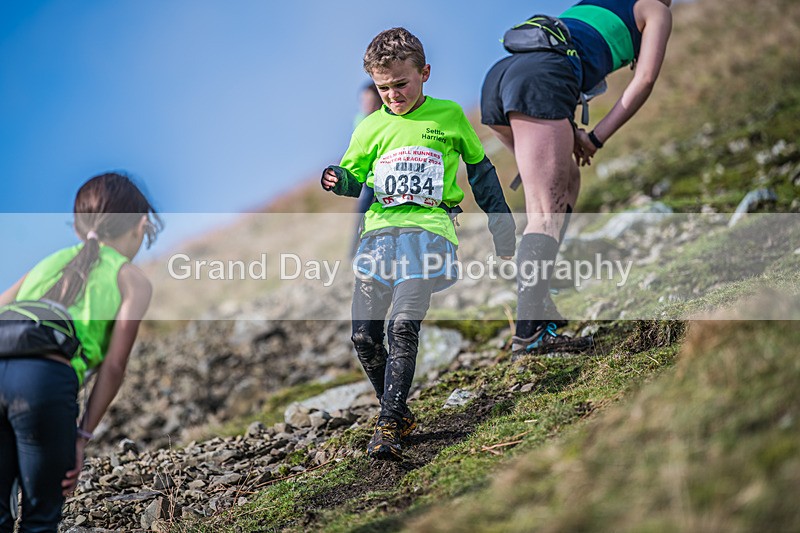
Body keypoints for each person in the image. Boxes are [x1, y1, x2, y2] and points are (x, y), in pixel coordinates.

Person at [322, 27, 516, 460]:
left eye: (401, 84)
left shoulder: (448, 116)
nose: (392, 95)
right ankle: (400, 411)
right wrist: (338, 180)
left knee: (403, 326)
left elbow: (482, 174)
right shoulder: (370, 127)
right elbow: (354, 179)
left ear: (424, 72)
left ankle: (388, 423)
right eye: (383, 87)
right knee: (363, 338)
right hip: (378, 237)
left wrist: (502, 231)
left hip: (430, 233)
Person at [480, 0, 673, 354]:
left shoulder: (591, 3)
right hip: (541, 80)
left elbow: (554, 51)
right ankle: (530, 336)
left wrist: (571, 131)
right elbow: (644, 80)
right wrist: (596, 137)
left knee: (568, 180)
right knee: (544, 214)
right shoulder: (654, 8)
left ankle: (540, 302)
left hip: (501, 77)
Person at [0, 172, 162, 531]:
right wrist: (81, 436)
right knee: (40, 517)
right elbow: (114, 365)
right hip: (44, 381)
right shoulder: (130, 279)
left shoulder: (47, 263)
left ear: (77, 228)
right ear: (140, 224)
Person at [351, 82, 384, 257]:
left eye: (370, 100)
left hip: (385, 176)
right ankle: (355, 251)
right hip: (369, 177)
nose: (366, 104)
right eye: (363, 100)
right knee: (363, 211)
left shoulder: (385, 118)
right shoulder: (360, 120)